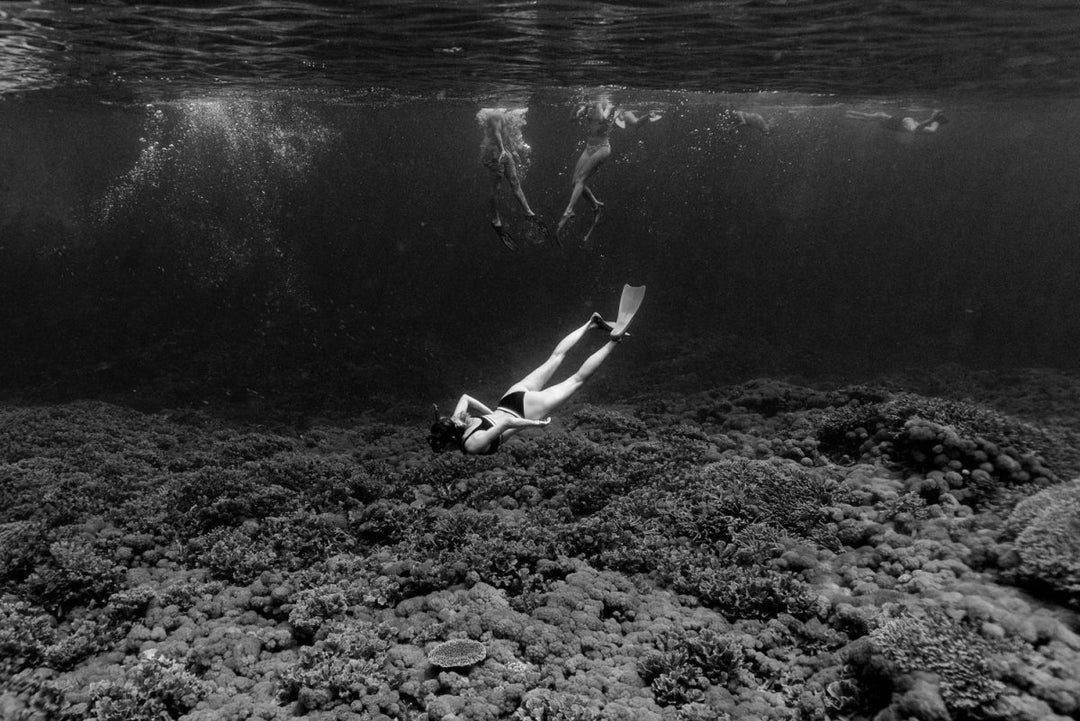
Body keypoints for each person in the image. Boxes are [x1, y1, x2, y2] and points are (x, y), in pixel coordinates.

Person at [429, 285, 646, 455]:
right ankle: (591, 323)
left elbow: (506, 422)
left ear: (451, 440)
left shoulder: (472, 445)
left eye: (443, 447)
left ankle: (613, 341)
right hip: (509, 399)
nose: (446, 451)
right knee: (555, 357)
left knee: (577, 380)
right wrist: (491, 415)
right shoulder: (458, 419)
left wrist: (535, 424)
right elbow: (467, 398)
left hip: (524, 411)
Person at [557, 98, 661, 243]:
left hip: (602, 148)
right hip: (589, 147)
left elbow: (607, 119)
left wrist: (647, 116)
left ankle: (569, 210)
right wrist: (577, 104)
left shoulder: (612, 105)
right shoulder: (589, 106)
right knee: (574, 183)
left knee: (581, 178)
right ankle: (595, 205)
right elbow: (572, 119)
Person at [477, 107, 546, 251]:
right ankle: (495, 220)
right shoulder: (496, 113)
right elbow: (496, 132)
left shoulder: (506, 113)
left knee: (515, 182)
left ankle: (528, 212)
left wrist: (513, 150)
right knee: (496, 188)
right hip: (494, 153)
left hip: (504, 151)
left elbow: (505, 133)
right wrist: (502, 149)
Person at [845, 108, 948, 134]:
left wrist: (935, 120)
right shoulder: (882, 118)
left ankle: (851, 113)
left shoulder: (883, 121)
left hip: (902, 124)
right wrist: (934, 120)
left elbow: (867, 118)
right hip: (902, 124)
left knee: (873, 117)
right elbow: (866, 117)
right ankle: (850, 113)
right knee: (872, 117)